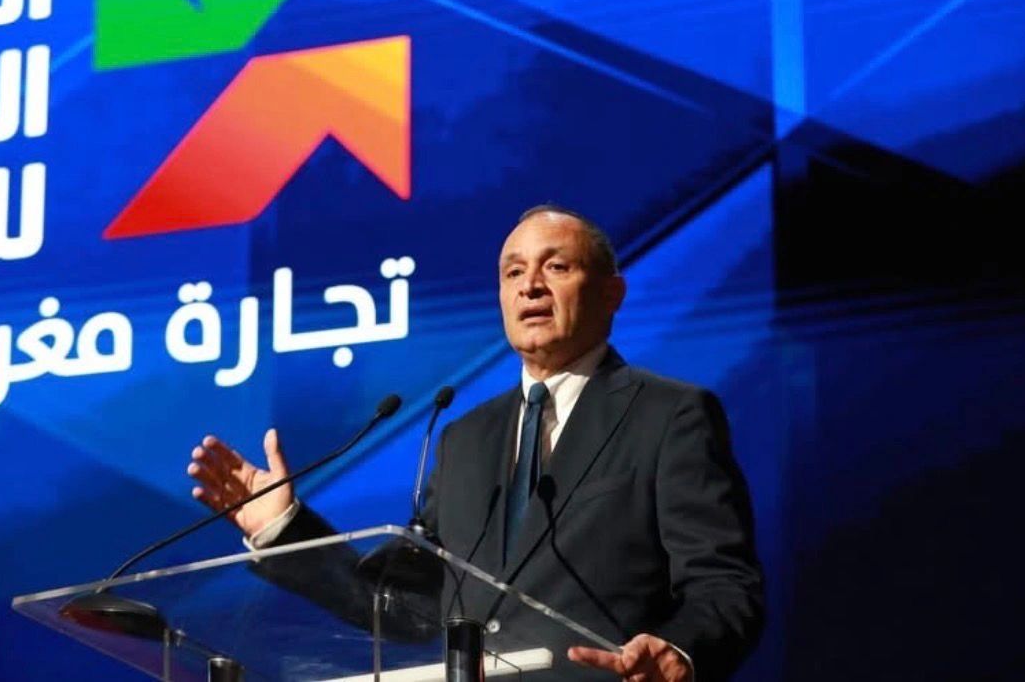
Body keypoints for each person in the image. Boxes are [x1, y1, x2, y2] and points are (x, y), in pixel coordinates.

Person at [188, 206, 764, 681]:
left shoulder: (669, 415)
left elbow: (724, 586)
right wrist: (286, 527)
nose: (531, 285)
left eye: (556, 266)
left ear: (611, 293)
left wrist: (678, 650)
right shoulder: (465, 437)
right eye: (513, 273)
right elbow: (405, 608)